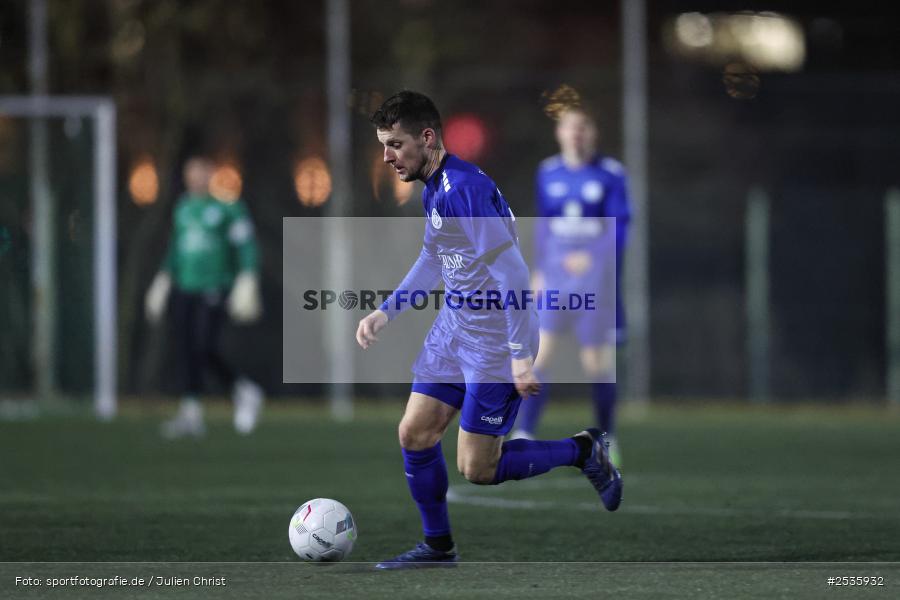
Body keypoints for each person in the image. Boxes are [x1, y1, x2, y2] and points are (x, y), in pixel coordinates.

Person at [356, 91, 622, 569]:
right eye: (383, 145)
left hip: (495, 341)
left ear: (428, 137)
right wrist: (386, 311)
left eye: (395, 144)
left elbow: (516, 275)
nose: (387, 156)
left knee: (478, 468)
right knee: (415, 433)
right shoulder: (436, 186)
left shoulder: (464, 189)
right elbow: (434, 257)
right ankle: (438, 548)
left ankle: (583, 450)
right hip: (453, 328)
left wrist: (520, 357)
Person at [510, 107, 631, 466]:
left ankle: (607, 439)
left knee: (597, 365)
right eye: (570, 127)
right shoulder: (548, 172)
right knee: (538, 357)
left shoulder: (610, 174)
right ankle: (523, 432)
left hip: (595, 285)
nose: (577, 134)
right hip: (556, 283)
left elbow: (619, 227)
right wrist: (539, 270)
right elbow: (546, 225)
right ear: (559, 133)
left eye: (583, 127)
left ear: (593, 133)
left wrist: (593, 257)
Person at [145, 156, 264, 438]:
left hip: (215, 286)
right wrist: (162, 279)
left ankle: (243, 389)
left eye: (200, 173)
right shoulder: (183, 208)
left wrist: (248, 277)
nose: (195, 179)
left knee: (203, 346)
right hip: (185, 286)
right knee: (186, 348)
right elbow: (176, 248)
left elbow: (245, 244)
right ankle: (192, 414)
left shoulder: (227, 208)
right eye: (191, 173)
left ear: (210, 175)